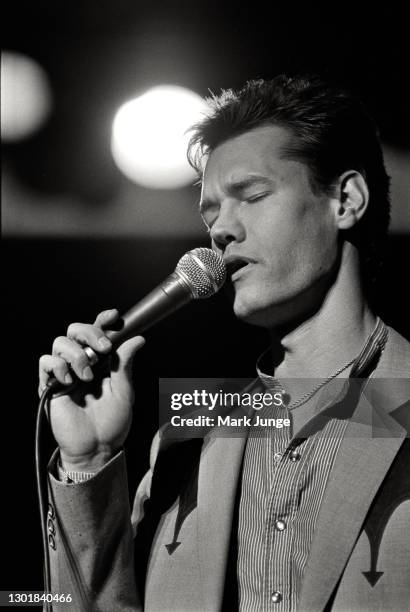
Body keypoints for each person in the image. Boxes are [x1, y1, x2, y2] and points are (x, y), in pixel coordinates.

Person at [40, 75, 410, 611]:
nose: (220, 230)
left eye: (252, 196)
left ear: (346, 200)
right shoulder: (191, 431)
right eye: (210, 212)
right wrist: (90, 460)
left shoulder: (402, 396)